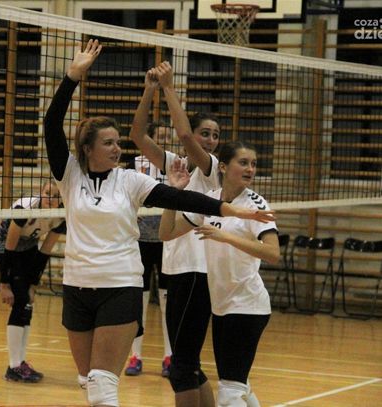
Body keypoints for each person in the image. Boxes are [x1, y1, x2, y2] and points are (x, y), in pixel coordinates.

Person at [43, 39, 274, 407]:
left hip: (126, 283)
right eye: (108, 143)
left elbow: (182, 196)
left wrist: (230, 210)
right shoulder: (71, 176)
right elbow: (54, 125)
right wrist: (72, 76)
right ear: (87, 148)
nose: (118, 148)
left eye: (117, 142)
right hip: (79, 284)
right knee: (91, 381)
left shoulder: (135, 179)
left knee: (114, 382)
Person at [159, 141, 280, 407]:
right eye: (243, 163)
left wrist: (226, 237)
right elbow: (166, 233)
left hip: (247, 304)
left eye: (253, 164)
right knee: (238, 386)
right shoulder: (211, 200)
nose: (250, 169)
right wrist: (173, 195)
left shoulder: (255, 203)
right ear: (223, 167)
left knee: (229, 393)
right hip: (222, 305)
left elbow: (273, 253)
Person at [129, 61, 221, 407]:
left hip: (196, 274)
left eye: (215, 135)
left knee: (182, 369)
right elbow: (138, 137)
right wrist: (149, 90)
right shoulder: (178, 166)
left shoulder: (211, 170)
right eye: (205, 133)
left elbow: (183, 136)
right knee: (189, 366)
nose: (210, 140)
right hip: (179, 272)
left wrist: (169, 87)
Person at [0, 180, 66, 383]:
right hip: (7, 247)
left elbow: (44, 252)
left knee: (27, 304)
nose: (51, 199)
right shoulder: (25, 209)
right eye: (48, 193)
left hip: (29, 248)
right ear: (41, 192)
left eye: (56, 196)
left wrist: (33, 285)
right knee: (20, 302)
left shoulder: (61, 216)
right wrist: (4, 284)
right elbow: (9, 247)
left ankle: (20, 362)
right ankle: (13, 367)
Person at [125, 121, 172, 378]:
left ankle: (169, 356)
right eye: (160, 136)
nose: (165, 141)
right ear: (150, 139)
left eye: (168, 136)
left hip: (167, 242)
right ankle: (135, 356)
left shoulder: (175, 163)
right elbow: (120, 195)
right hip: (140, 241)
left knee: (167, 302)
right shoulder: (134, 165)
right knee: (139, 301)